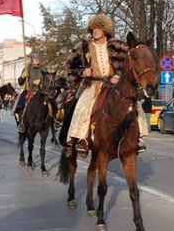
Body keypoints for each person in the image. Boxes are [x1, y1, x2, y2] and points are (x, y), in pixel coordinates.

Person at [65, 10, 148, 158]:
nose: (95, 31)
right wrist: (83, 73)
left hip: (114, 85)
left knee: (134, 104)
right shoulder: (83, 47)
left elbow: (129, 66)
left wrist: (118, 75)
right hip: (93, 85)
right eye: (93, 28)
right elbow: (69, 68)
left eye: (99, 28)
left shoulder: (118, 45)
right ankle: (81, 139)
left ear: (105, 30)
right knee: (83, 106)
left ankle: (138, 137)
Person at [13, 52, 47, 132]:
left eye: (38, 57)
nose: (36, 59)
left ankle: (54, 121)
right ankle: (21, 121)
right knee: (20, 102)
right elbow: (20, 82)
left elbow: (48, 79)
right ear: (32, 59)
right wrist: (22, 76)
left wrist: (41, 82)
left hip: (41, 91)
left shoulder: (44, 69)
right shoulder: (27, 69)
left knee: (52, 103)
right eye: (34, 58)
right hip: (30, 90)